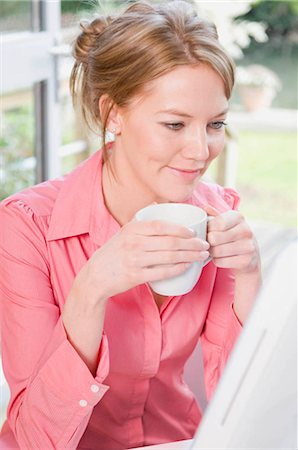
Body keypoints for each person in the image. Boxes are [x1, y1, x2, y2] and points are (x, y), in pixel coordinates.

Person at [0, 1, 261, 449]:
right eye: (175, 124)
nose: (201, 151)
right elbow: (29, 440)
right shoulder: (26, 228)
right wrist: (91, 288)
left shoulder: (217, 213)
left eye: (215, 123)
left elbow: (245, 413)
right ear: (112, 114)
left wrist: (251, 277)